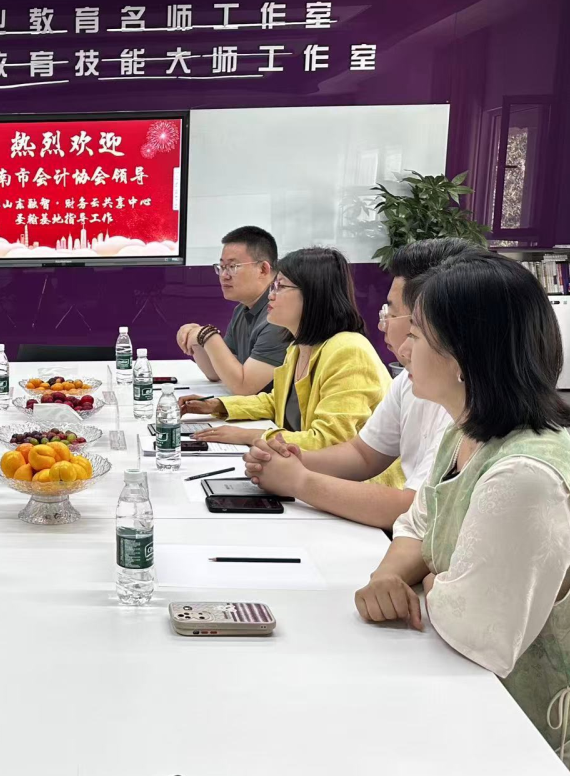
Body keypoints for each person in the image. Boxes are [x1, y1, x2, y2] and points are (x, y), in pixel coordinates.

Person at [353, 252, 570, 763]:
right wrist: (390, 576)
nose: (404, 348)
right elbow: (417, 522)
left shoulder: (525, 474)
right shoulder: (465, 432)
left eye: (417, 334)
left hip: (518, 727)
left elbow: (480, 632)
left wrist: (434, 580)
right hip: (462, 696)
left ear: (463, 357)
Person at [242, 239, 479, 527]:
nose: (383, 325)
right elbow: (363, 454)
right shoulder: (410, 380)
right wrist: (289, 459)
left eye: (394, 315)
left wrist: (298, 479)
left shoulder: (462, 402)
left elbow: (415, 511)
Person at [179, 248, 399, 488]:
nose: (271, 295)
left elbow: (330, 442)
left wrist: (248, 436)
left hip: (360, 489)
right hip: (313, 477)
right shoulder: (298, 347)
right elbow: (278, 401)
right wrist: (217, 405)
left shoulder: (349, 351)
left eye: (280, 286)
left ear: (313, 295)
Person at [176, 226, 291, 395]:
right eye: (222, 267)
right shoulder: (242, 309)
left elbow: (244, 387)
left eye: (232, 266)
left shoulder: (279, 315)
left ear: (263, 269)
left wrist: (207, 336)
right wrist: (195, 340)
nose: (224, 275)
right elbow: (217, 373)